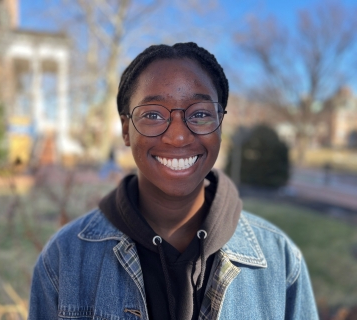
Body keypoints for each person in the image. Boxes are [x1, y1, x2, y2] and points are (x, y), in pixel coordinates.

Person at [28, 42, 319, 320]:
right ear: (126, 129)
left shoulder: (281, 261)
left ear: (220, 126)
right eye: (153, 114)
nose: (178, 136)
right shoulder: (65, 259)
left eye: (201, 114)